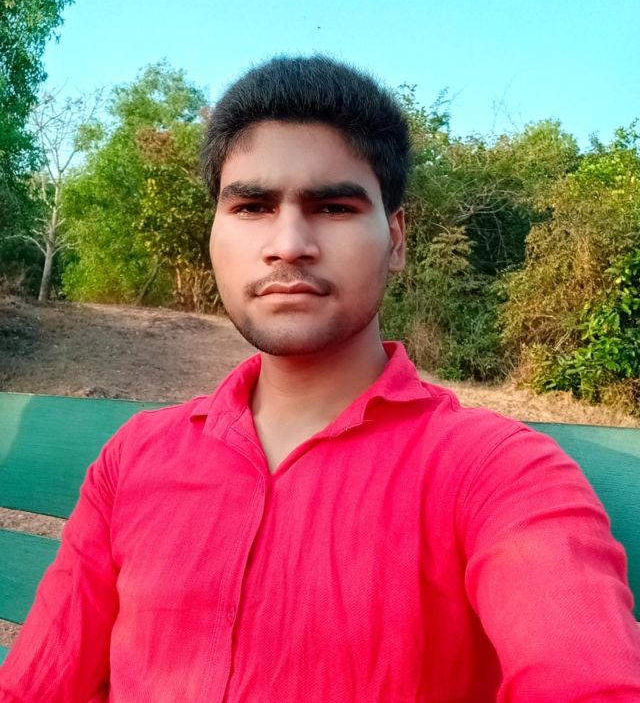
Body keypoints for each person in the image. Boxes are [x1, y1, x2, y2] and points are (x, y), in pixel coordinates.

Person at [1, 55, 639, 702]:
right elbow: (37, 682)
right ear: (215, 231)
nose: (288, 243)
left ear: (396, 238)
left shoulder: (498, 474)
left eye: (333, 206)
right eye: (252, 206)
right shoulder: (134, 459)